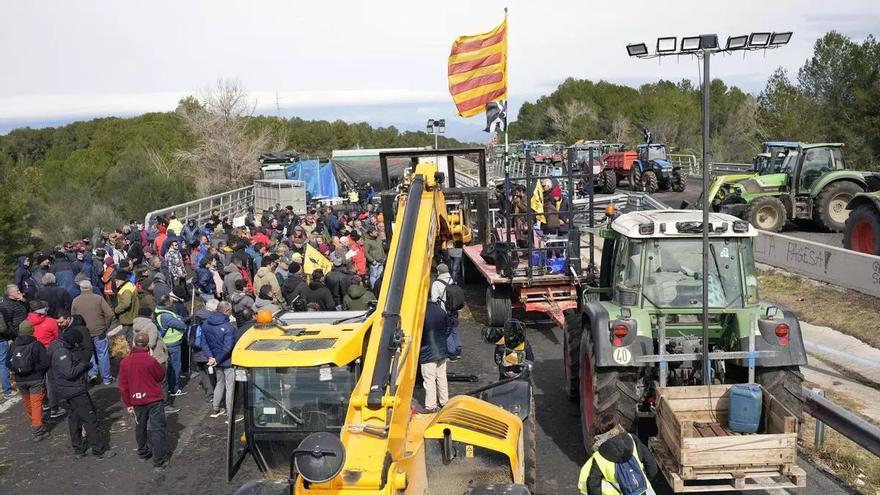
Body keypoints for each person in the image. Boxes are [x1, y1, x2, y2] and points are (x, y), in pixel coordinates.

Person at [51, 329, 115, 459]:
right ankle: (99, 450)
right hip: (74, 390)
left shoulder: (57, 347)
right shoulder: (62, 352)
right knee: (90, 418)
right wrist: (84, 365)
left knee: (74, 418)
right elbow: (69, 372)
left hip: (64, 390)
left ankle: (79, 448)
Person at [119, 331, 170, 471]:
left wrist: (128, 403)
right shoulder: (150, 360)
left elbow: (123, 386)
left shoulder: (125, 362)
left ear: (134, 344)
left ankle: (142, 452)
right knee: (157, 429)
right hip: (153, 399)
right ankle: (158, 461)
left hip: (136, 400)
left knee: (140, 428)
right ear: (147, 345)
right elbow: (160, 376)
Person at [577, 416, 658, 495]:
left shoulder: (599, 456)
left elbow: (593, 483)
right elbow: (652, 467)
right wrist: (639, 482)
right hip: (643, 491)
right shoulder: (633, 439)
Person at [6, 321, 50, 441]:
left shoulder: (14, 345)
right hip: (35, 379)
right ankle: (37, 431)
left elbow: (7, 362)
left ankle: (35, 421)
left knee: (28, 403)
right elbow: (45, 363)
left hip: (20, 380)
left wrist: (18, 370)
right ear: (32, 331)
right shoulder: (37, 345)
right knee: (36, 404)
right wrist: (37, 371)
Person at [132, 307, 176, 415]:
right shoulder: (151, 326)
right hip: (157, 357)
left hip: (143, 359)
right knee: (162, 381)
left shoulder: (136, 325)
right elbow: (150, 343)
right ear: (149, 314)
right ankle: (164, 404)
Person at [71, 279, 115, 384]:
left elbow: (73, 317)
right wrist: (106, 325)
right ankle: (106, 378)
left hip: (84, 333)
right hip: (99, 330)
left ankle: (92, 373)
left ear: (80, 289)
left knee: (89, 353)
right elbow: (109, 314)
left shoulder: (75, 301)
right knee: (102, 354)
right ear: (91, 288)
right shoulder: (98, 299)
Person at [204, 301, 236, 419]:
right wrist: (217, 359)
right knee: (230, 387)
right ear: (226, 311)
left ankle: (216, 407)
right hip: (227, 360)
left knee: (219, 383)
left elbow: (204, 342)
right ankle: (230, 412)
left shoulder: (206, 323)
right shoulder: (229, 327)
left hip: (214, 359)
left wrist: (211, 357)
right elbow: (228, 347)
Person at [154, 295, 188, 397]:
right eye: (171, 301)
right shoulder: (166, 315)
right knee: (175, 366)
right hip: (172, 343)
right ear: (167, 303)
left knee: (170, 366)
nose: (173, 303)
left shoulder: (159, 311)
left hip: (168, 342)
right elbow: (181, 325)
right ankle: (175, 388)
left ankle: (171, 386)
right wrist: (181, 320)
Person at [419, 300, 449, 412]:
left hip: (427, 350)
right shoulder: (441, 311)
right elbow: (448, 328)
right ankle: (444, 401)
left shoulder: (421, 312)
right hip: (441, 348)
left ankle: (431, 405)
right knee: (441, 375)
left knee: (429, 378)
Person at [430, 264, 462, 361]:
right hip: (454, 310)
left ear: (439, 272)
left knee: (446, 333)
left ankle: (452, 354)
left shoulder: (436, 284)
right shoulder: (451, 280)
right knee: (454, 330)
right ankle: (458, 350)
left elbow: (434, 299)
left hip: (444, 311)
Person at [113, 271, 139, 344]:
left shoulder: (126, 290)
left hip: (127, 318)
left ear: (122, 280)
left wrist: (116, 310)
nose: (116, 282)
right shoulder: (130, 285)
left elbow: (126, 303)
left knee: (127, 339)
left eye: (117, 281)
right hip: (132, 315)